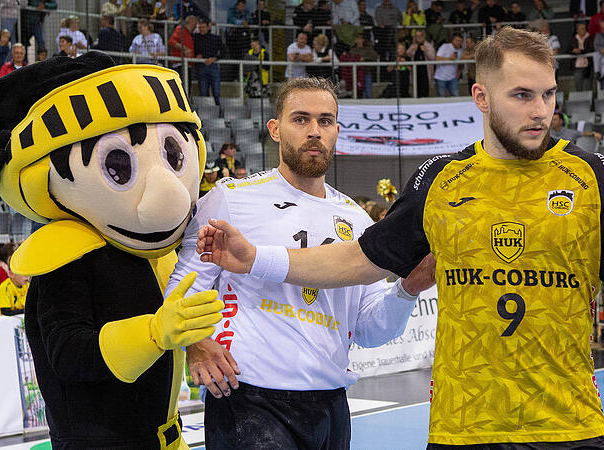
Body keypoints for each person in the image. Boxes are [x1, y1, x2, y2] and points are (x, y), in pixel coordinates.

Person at [196, 27, 604, 449]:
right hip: (463, 427)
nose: (541, 111)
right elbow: (358, 260)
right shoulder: (439, 179)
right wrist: (258, 258)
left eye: (549, 94)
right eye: (522, 95)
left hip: (570, 424)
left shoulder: (594, 176)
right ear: (481, 97)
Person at [169, 76, 435, 449]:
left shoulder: (356, 219)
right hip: (248, 400)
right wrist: (195, 343)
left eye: (325, 121)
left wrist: (409, 288)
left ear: (337, 131)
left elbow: (372, 330)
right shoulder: (230, 199)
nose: (315, 131)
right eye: (301, 119)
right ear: (275, 129)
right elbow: (183, 284)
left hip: (330, 406)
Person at [194, 19, 224, 106]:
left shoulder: (215, 38)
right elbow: (193, 50)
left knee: (216, 92)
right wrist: (197, 56)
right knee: (203, 92)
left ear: (208, 27)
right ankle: (205, 113)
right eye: (200, 27)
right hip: (201, 67)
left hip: (213, 66)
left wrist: (214, 58)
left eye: (203, 27)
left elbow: (223, 52)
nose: (201, 29)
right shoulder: (196, 37)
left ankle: (218, 111)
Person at [406, 29, 435, 98]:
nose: (419, 37)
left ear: (423, 36)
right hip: (416, 72)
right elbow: (407, 54)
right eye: (417, 36)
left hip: (425, 72)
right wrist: (412, 50)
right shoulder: (413, 45)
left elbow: (433, 58)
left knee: (425, 91)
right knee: (416, 91)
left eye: (420, 36)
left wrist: (426, 51)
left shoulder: (428, 45)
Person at [434, 33, 463, 97]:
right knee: (442, 98)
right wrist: (450, 58)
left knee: (456, 97)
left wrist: (457, 75)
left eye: (460, 41)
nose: (459, 43)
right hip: (441, 77)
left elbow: (461, 64)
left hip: (453, 78)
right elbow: (437, 59)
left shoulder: (460, 50)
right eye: (457, 40)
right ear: (453, 40)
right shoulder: (445, 46)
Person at [571, 22, 593, 91]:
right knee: (578, 87)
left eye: (584, 28)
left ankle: (589, 101)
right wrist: (573, 51)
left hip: (588, 66)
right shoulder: (573, 39)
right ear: (577, 30)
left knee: (588, 87)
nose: (584, 30)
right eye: (581, 29)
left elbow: (592, 48)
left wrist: (581, 51)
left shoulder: (590, 38)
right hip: (577, 66)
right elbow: (567, 49)